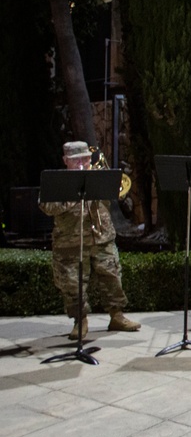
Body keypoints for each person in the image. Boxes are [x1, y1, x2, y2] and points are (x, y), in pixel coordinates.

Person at [38, 141, 141, 340]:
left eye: (85, 159)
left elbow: (114, 196)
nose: (82, 163)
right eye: (76, 160)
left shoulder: (97, 175)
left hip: (102, 237)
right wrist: (74, 194)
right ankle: (80, 320)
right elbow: (46, 206)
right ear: (66, 161)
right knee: (72, 284)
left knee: (112, 278)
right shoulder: (57, 182)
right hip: (70, 242)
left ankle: (117, 316)